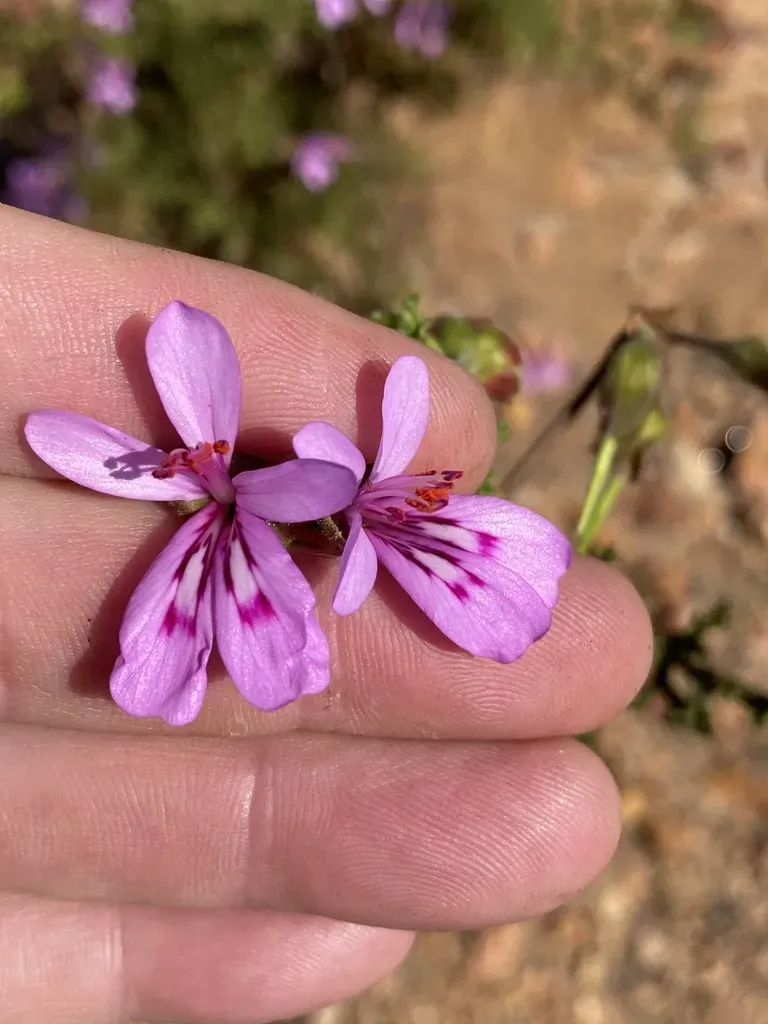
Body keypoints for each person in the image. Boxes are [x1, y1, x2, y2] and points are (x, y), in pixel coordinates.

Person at [0, 205, 652, 1023]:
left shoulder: (343, 506)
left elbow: (323, 490)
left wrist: (334, 505)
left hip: (302, 505)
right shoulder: (265, 495)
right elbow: (92, 437)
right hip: (272, 505)